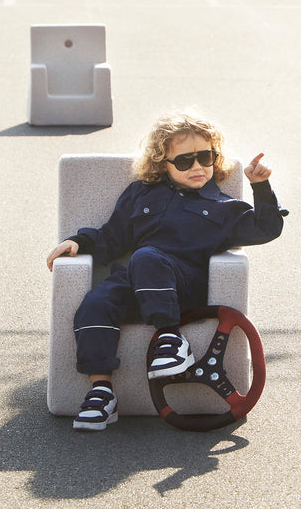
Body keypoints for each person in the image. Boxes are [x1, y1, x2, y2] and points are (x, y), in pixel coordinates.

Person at [46, 111, 288, 431]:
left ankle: (172, 339)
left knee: (147, 257)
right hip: (135, 279)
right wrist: (78, 242)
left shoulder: (223, 207)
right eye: (185, 160)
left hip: (183, 287)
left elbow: (266, 228)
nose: (197, 166)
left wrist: (261, 186)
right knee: (95, 303)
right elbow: (112, 236)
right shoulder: (141, 194)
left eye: (205, 157)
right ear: (163, 163)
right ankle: (101, 391)